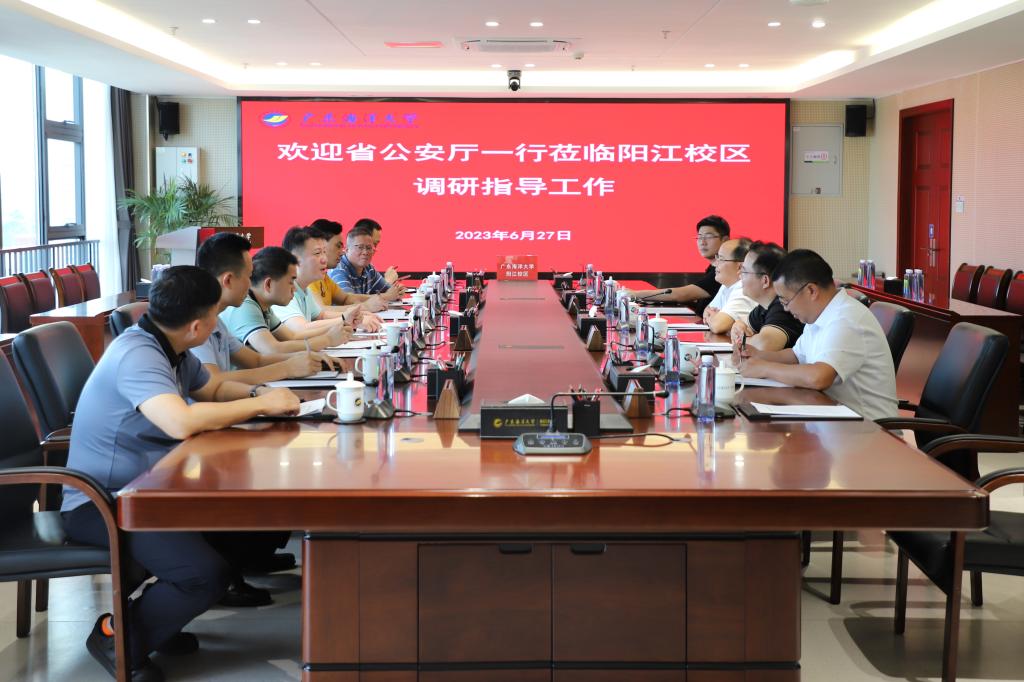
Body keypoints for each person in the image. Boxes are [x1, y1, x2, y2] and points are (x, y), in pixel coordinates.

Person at [60, 266, 301, 681]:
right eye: (215, 315)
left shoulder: (168, 345)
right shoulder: (137, 355)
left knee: (241, 529)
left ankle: (158, 621)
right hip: (101, 501)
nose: (218, 322)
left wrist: (261, 393)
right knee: (202, 575)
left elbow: (212, 388)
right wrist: (260, 405)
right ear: (196, 326)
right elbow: (180, 422)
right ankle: (118, 636)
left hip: (149, 490)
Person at [738, 249, 898, 421]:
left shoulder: (847, 319)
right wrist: (758, 355)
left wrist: (765, 368)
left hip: (869, 427)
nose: (785, 308)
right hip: (833, 416)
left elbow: (819, 378)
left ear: (811, 291)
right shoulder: (821, 313)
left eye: (785, 301)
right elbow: (797, 355)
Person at [193, 231, 340, 380]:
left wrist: (308, 358)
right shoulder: (200, 321)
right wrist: (288, 368)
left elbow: (257, 360)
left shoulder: (217, 321)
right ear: (228, 280)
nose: (251, 283)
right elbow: (211, 382)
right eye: (249, 276)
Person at [221, 246, 352, 355]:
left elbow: (292, 336)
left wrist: (337, 329)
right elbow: (272, 349)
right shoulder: (245, 306)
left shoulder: (264, 306)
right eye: (290, 282)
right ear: (269, 284)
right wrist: (327, 340)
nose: (294, 289)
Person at [625, 214, 729, 314]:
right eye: (699, 237)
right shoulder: (712, 267)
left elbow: (683, 294)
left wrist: (636, 294)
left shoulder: (725, 270)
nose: (702, 242)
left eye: (708, 237)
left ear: (725, 240)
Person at [273, 227, 363, 336]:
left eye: (324, 252)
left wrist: (356, 316)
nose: (324, 259)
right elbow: (300, 328)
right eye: (317, 253)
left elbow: (321, 316)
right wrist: (344, 319)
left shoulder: (304, 287)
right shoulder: (282, 290)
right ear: (295, 259)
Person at [305, 219, 386, 330]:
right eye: (338, 246)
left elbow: (346, 298)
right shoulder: (309, 278)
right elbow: (321, 312)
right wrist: (364, 307)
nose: (342, 252)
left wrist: (367, 305)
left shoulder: (323, 276)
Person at [729, 241, 804, 352]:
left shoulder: (783, 306)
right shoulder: (765, 306)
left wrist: (742, 340)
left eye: (744, 272)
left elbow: (764, 345)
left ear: (765, 281)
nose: (739, 275)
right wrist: (738, 326)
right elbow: (742, 324)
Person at [329, 224, 404, 298]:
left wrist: (397, 291)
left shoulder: (369, 268)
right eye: (360, 247)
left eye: (369, 248)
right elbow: (348, 300)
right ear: (347, 250)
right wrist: (386, 296)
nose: (365, 252)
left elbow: (388, 290)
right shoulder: (338, 269)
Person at [701, 237, 756, 334]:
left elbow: (718, 326)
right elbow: (707, 311)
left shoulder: (744, 289)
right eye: (717, 257)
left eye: (721, 259)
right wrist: (714, 317)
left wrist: (714, 318)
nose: (715, 263)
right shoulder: (728, 285)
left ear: (740, 267)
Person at [353, 217, 400, 285]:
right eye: (374, 244)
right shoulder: (341, 269)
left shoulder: (368, 267)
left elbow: (379, 289)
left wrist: (394, 288)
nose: (374, 250)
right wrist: (388, 281)